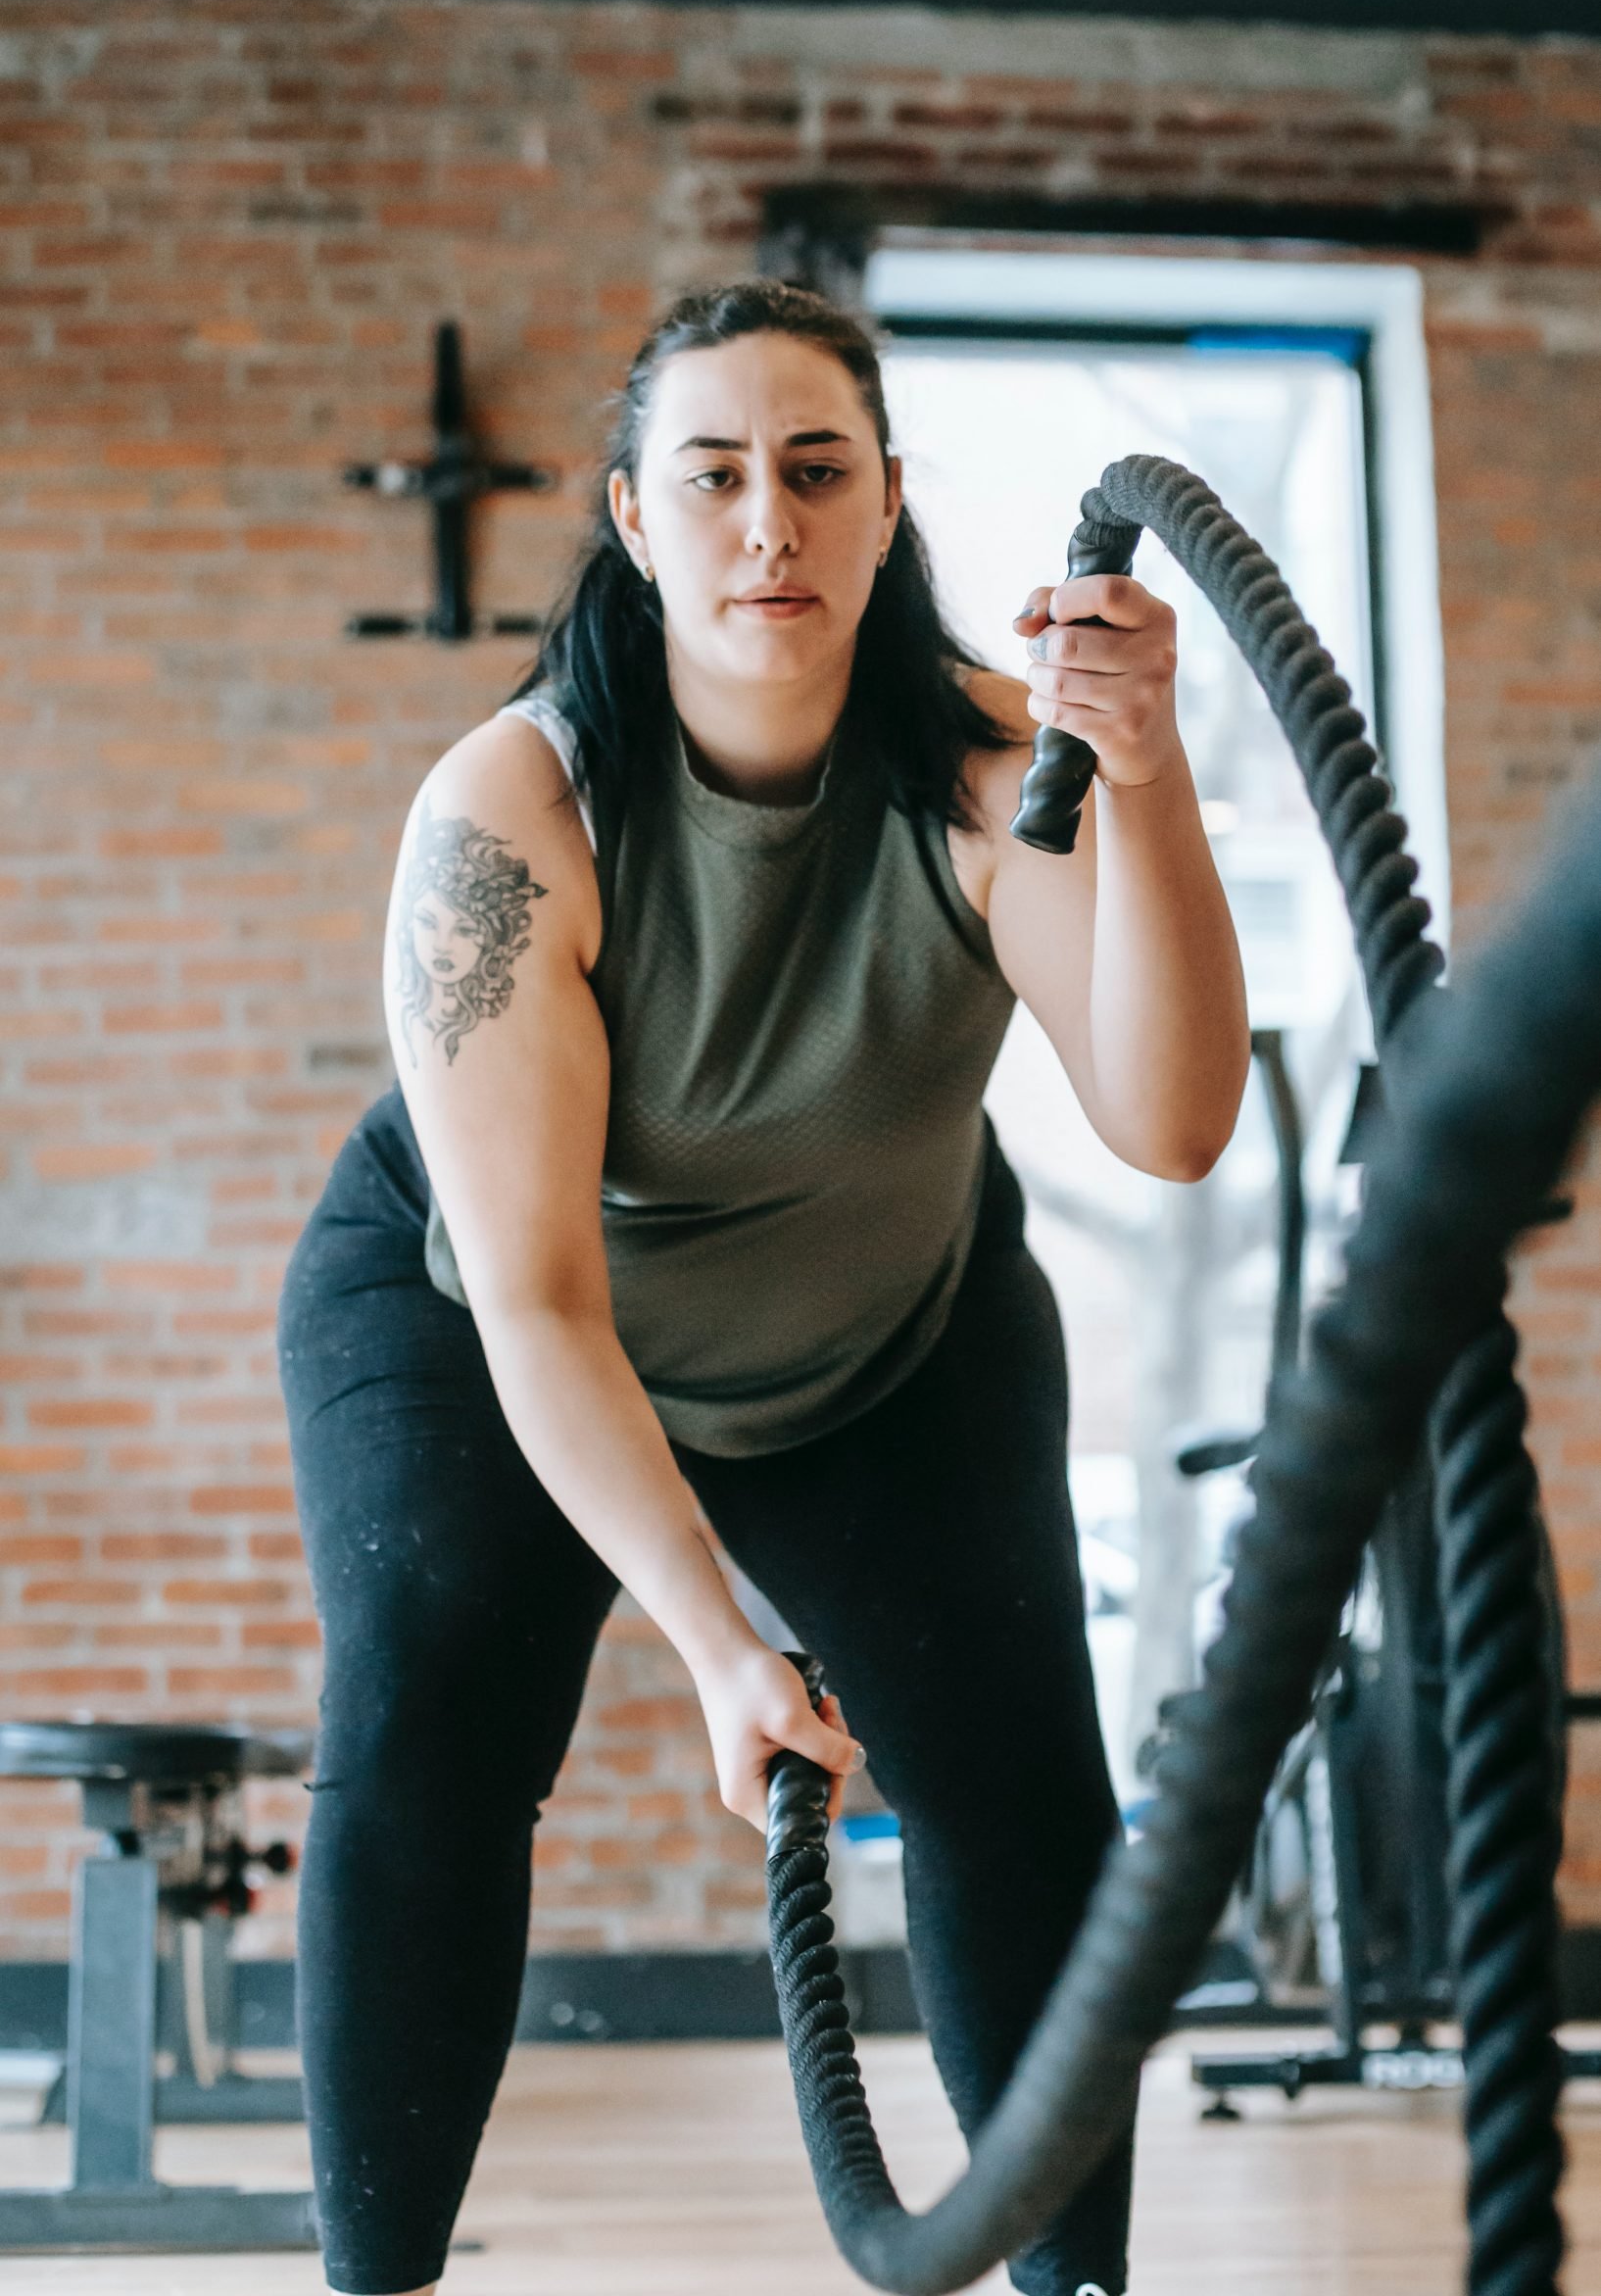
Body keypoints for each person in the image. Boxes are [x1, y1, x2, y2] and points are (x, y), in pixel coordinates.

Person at [277, 278, 1250, 2296]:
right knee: (429, 1714)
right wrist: (721, 1641)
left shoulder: (1000, 767)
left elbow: (1168, 1121)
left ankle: (1078, 2282)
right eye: (712, 474)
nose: (766, 524)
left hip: (888, 1329)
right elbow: (541, 1298)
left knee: (1020, 1789)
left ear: (890, 504)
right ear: (632, 514)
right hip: (490, 1322)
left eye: (816, 471)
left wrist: (1145, 776)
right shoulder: (511, 816)